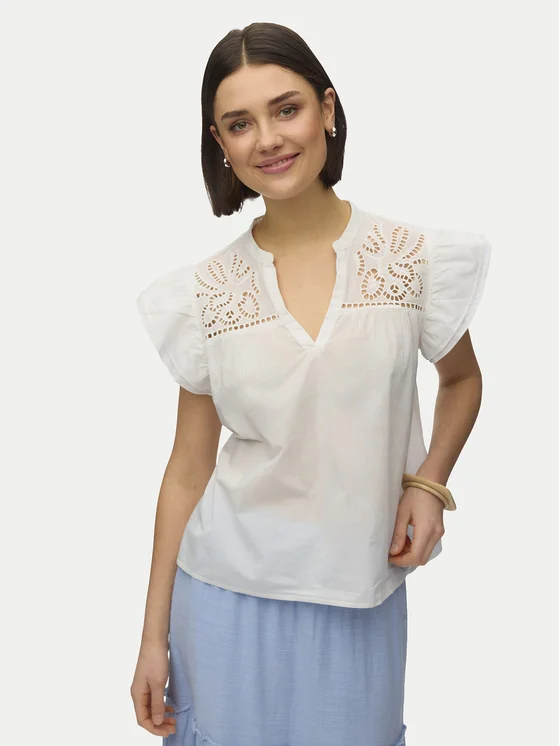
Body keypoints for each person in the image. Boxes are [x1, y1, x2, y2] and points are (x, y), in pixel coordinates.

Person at [130, 21, 491, 746]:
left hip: (359, 590)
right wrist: (151, 636)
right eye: (240, 123)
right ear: (220, 143)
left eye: (286, 109)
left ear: (327, 109)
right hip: (223, 591)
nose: (267, 139)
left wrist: (429, 485)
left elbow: (461, 380)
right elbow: (189, 469)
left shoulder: (410, 259)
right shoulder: (203, 294)